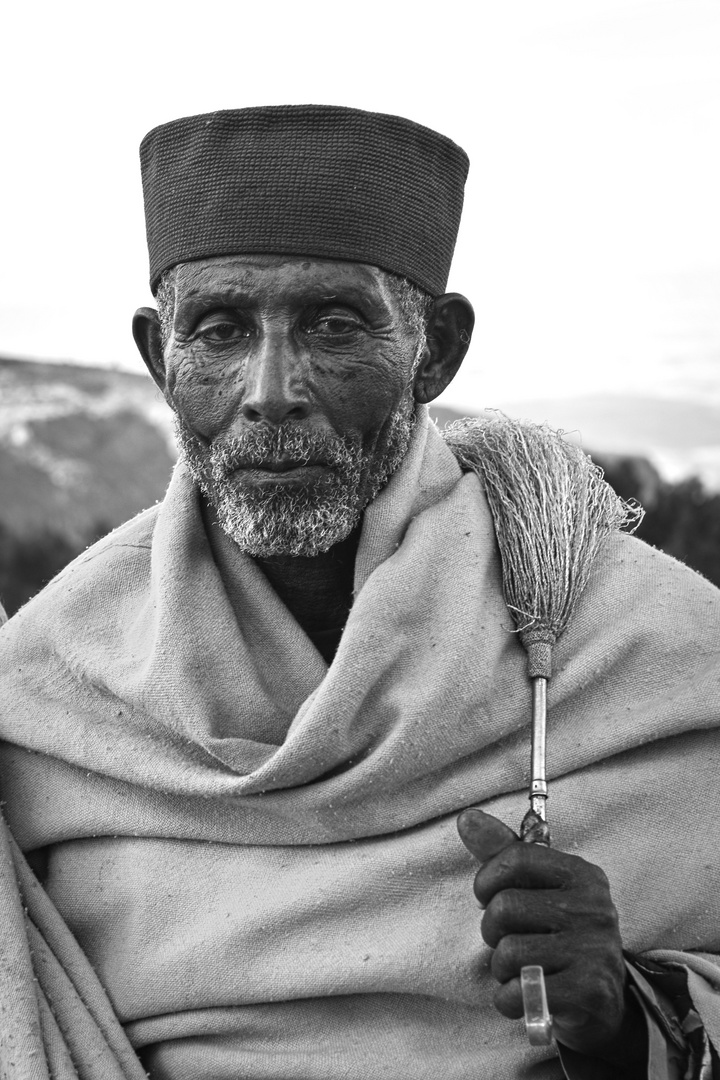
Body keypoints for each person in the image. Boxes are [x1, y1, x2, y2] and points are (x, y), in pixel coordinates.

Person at [0, 105, 718, 1080]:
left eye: (334, 324)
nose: (270, 389)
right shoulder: (45, 689)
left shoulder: (653, 648)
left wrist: (635, 1021)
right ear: (157, 360)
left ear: (437, 351)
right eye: (217, 329)